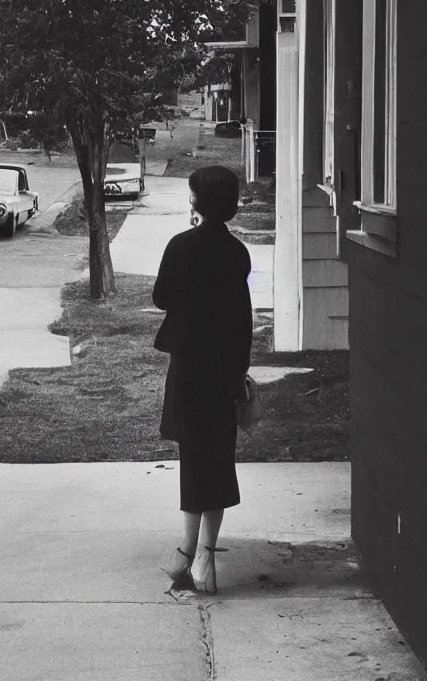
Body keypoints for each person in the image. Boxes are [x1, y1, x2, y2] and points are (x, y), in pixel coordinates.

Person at [152, 165, 252, 594]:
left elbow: (160, 297)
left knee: (195, 459)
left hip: (190, 367)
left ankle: (196, 558)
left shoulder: (181, 246)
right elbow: (241, 320)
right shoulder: (237, 253)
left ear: (197, 201)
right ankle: (199, 553)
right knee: (217, 457)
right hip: (224, 368)